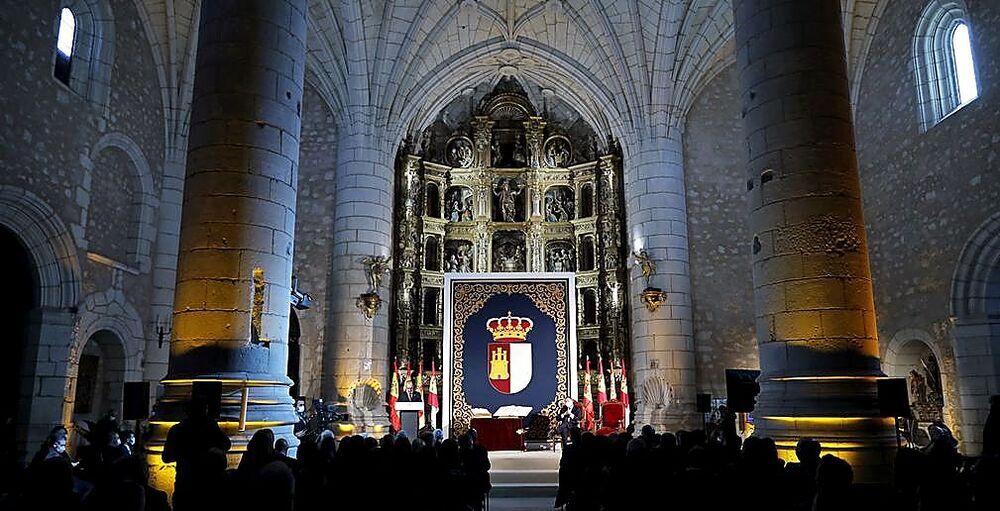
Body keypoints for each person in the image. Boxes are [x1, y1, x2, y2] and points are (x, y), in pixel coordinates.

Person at [161, 395, 231, 511]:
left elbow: (166, 457)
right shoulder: (210, 427)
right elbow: (226, 445)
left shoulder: (177, 430)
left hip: (185, 485)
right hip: (207, 487)